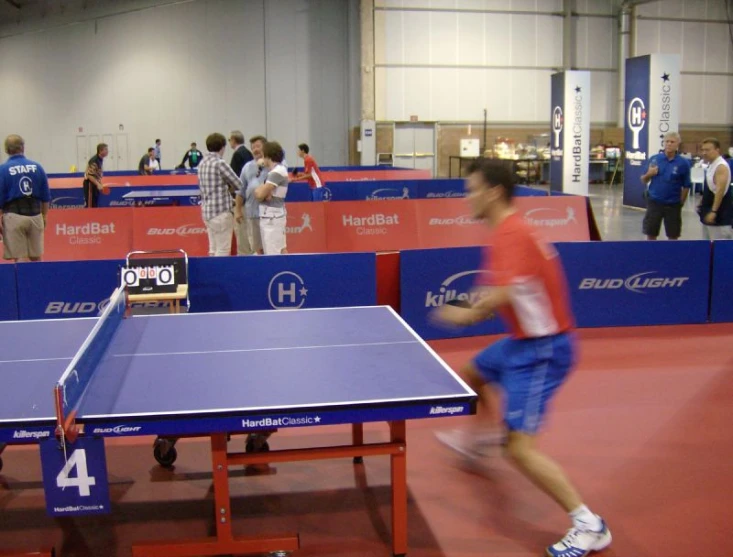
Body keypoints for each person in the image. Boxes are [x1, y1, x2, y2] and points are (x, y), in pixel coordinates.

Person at [432, 159, 611, 557]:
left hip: (543, 351)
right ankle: (478, 443)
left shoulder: (512, 233)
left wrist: (462, 314)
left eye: (472, 189)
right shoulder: (506, 231)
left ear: (493, 192)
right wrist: (472, 302)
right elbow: (494, 285)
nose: (467, 197)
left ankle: (589, 524)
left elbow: (499, 296)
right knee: (471, 376)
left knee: (519, 449)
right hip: (520, 342)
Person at [0, 135, 50, 262]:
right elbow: (45, 197)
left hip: (14, 216)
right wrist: (44, 216)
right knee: (37, 257)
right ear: (23, 147)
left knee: (20, 258)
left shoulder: (3, 170)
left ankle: (22, 282)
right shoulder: (38, 167)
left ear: (6, 150)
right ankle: (38, 281)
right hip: (35, 214)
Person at [640, 132, 691, 240]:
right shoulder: (655, 159)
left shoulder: (683, 163)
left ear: (677, 144)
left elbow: (686, 185)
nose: (669, 144)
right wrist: (650, 173)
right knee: (651, 233)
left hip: (673, 204)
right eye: (666, 141)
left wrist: (680, 202)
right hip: (655, 202)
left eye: (672, 142)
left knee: (673, 235)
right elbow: (643, 180)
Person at [198, 132, 242, 256]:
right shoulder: (220, 163)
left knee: (213, 249)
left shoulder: (202, 164)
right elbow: (238, 184)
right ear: (222, 147)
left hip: (207, 212)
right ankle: (219, 275)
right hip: (221, 212)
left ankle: (211, 274)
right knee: (223, 250)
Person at [234, 135, 268, 256]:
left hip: (270, 215)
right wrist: (238, 210)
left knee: (270, 248)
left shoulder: (273, 165)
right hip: (252, 214)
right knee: (256, 249)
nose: (255, 150)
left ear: (266, 147)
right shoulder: (247, 167)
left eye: (258, 146)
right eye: (253, 147)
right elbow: (240, 190)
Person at [255, 141, 289, 255]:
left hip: (272, 218)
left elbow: (260, 195)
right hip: (272, 216)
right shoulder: (275, 171)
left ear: (267, 156)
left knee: (273, 253)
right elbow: (265, 194)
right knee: (280, 250)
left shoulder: (276, 172)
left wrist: (261, 191)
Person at [698, 137, 733, 239]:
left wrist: (714, 211)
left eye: (707, 150)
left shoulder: (721, 166)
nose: (704, 153)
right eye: (703, 150)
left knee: (719, 250)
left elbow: (719, 191)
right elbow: (710, 188)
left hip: (720, 217)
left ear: (717, 150)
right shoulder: (712, 165)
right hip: (708, 212)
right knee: (708, 247)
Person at [83, 142, 108, 208]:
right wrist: (98, 184)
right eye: (105, 149)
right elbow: (90, 175)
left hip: (94, 183)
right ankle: (88, 218)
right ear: (100, 151)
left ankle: (93, 218)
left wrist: (98, 182)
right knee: (90, 205)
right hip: (90, 184)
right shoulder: (95, 160)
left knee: (94, 204)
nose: (107, 151)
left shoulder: (100, 159)